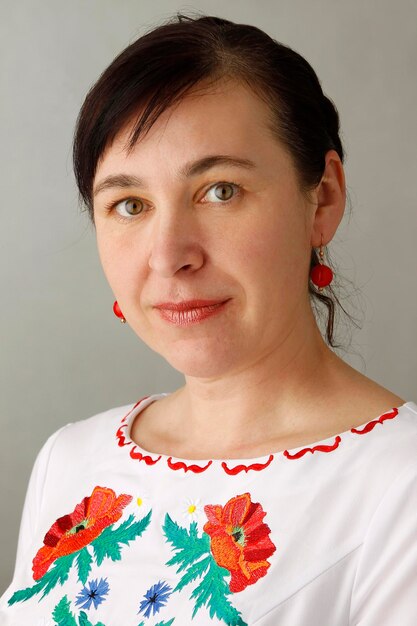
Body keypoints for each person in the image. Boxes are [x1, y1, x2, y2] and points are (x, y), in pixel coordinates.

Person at [1, 12, 416, 626]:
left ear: (323, 197)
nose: (170, 255)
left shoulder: (400, 485)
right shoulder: (70, 460)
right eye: (130, 204)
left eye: (220, 190)